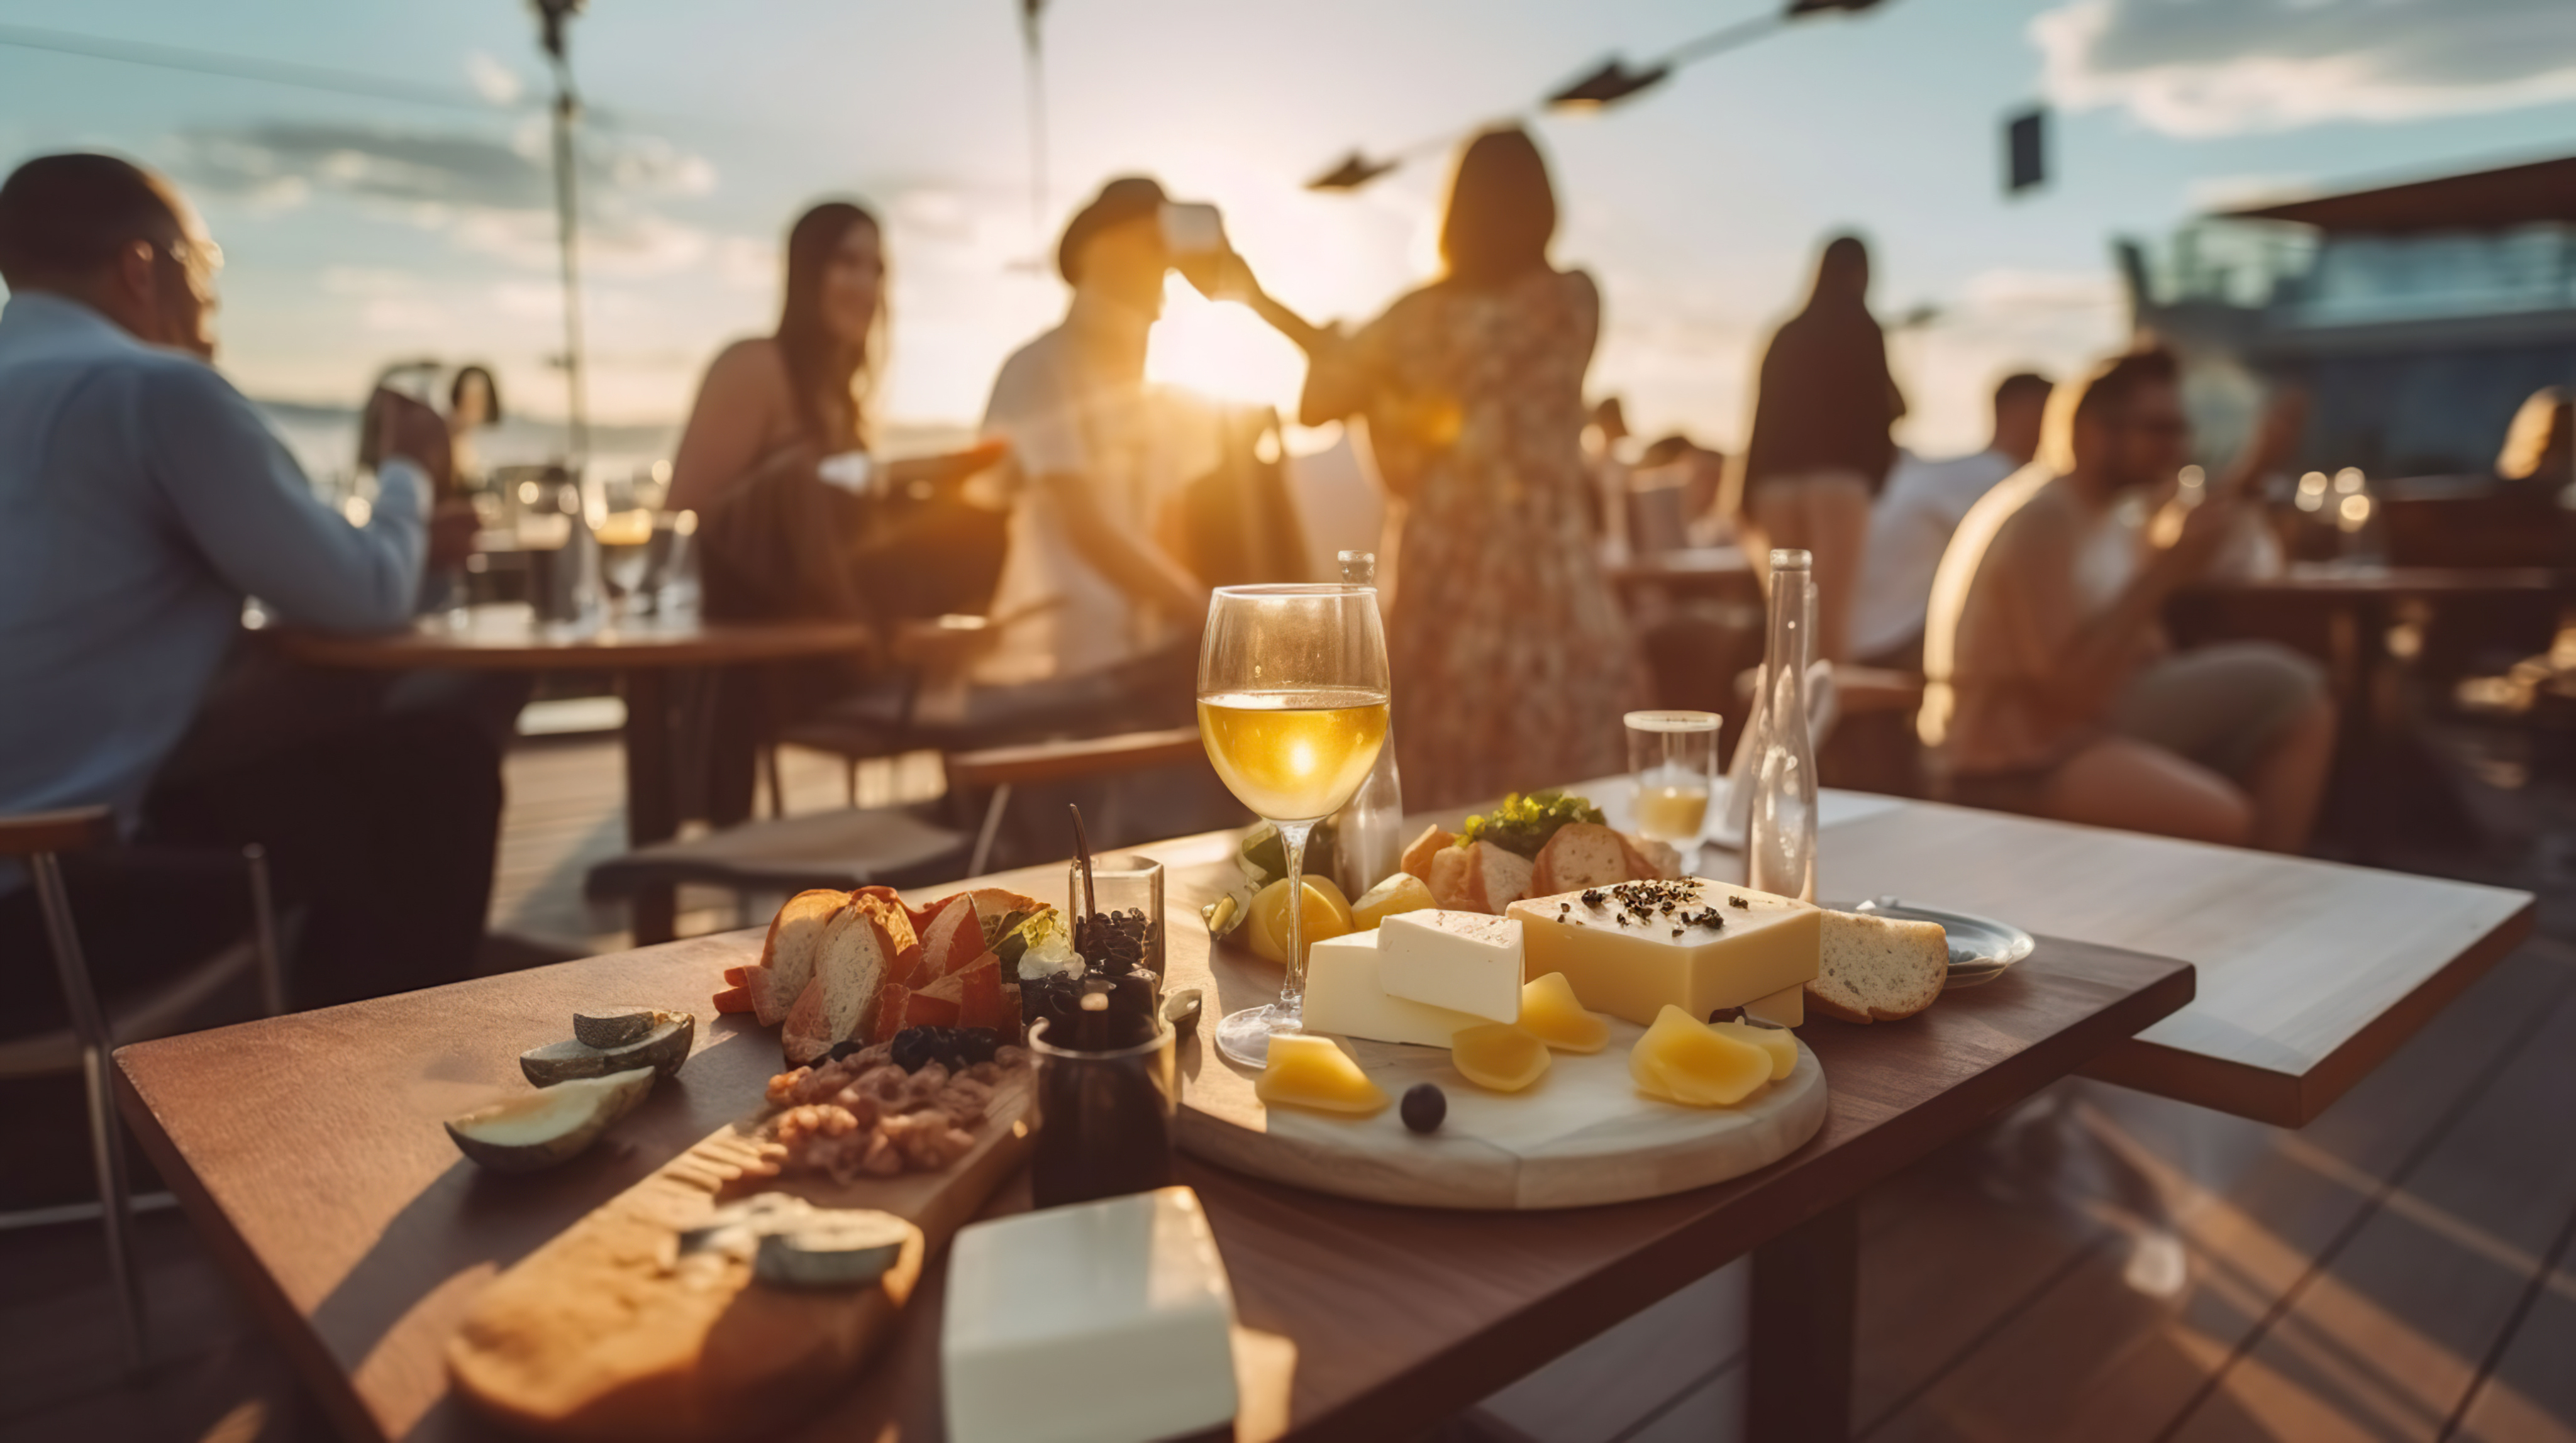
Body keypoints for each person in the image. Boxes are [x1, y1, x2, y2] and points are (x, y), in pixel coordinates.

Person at [0, 152, 500, 1019]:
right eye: (205, 268)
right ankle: (360, 1103)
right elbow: (365, 600)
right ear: (140, 267)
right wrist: (409, 472)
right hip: (48, 906)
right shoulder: (154, 392)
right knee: (436, 769)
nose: (210, 304)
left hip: (36, 863)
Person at [1192, 126, 1653, 809]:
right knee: (1567, 806)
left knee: (1446, 811)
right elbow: (1375, 383)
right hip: (1550, 576)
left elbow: (1323, 395)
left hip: (1448, 586)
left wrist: (1260, 304)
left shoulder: (1417, 322)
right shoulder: (1570, 300)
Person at [1919, 346, 2336, 852]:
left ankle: (2273, 886)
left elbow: (2146, 647)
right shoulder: (2044, 518)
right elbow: (2065, 690)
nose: (2176, 448)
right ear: (2093, 430)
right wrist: (2165, 573)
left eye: (2182, 431)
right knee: (2229, 814)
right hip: (2015, 757)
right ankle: (2269, 889)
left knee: (2300, 694)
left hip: (2082, 720)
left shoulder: (2108, 514)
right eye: (2159, 430)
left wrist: (2249, 474)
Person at [970, 175, 1218, 713]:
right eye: (1152, 243)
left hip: (1140, 664)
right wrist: (1211, 614)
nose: (1166, 264)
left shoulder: (1154, 400)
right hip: (1051, 672)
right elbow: (1085, 527)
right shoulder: (1038, 369)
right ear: (1099, 250)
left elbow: (1167, 529)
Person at [1740, 233, 1905, 664]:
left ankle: (1782, 724)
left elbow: (1761, 417)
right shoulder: (1863, 327)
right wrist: (1877, 475)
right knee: (1829, 628)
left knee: (1786, 625)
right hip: (1838, 485)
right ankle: (1825, 728)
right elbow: (1880, 407)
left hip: (1775, 486)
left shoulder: (1787, 333)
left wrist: (1745, 493)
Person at [1848, 372, 2052, 672]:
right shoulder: (2006, 483)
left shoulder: (1950, 471)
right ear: (2030, 415)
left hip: (1854, 629)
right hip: (1890, 641)